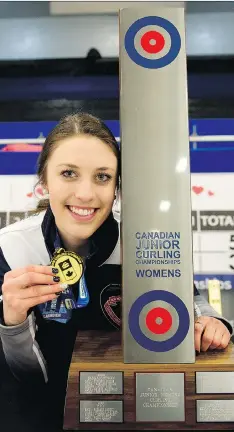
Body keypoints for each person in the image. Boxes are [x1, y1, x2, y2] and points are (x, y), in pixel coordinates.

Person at [0, 113, 232, 431]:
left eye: (102, 177)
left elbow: (195, 306)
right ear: (44, 181)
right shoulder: (11, 251)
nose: (85, 194)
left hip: (132, 412)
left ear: (116, 188)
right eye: (68, 173)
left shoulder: (144, 244)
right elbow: (23, 378)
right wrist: (11, 323)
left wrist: (215, 324)